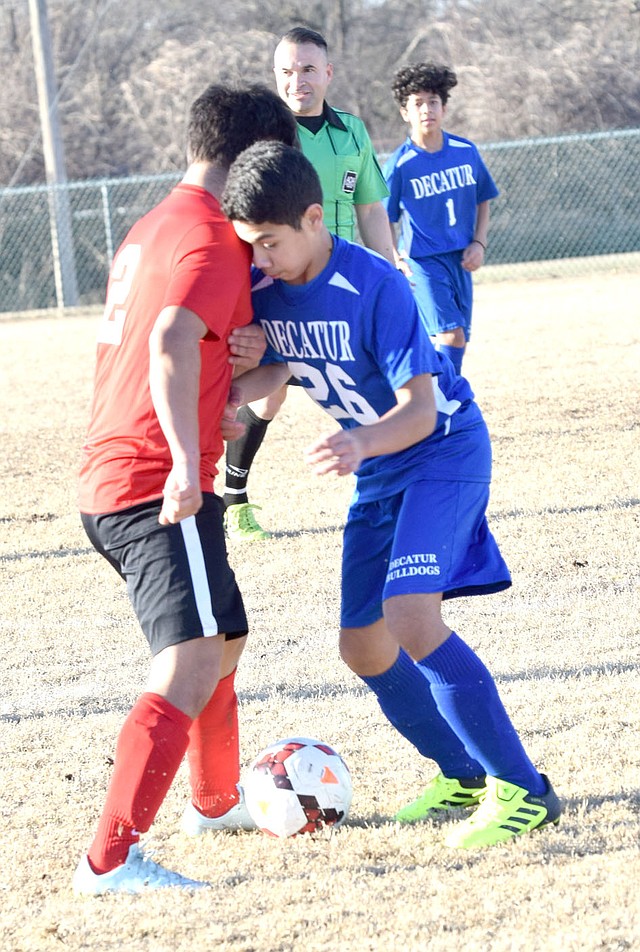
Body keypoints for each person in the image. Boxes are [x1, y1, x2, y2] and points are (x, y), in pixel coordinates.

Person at [221, 141, 562, 850]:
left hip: (440, 450)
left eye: (270, 244)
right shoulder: (264, 288)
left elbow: (421, 411)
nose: (260, 261)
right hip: (378, 468)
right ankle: (461, 773)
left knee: (410, 615)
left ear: (315, 218)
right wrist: (232, 395)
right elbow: (281, 368)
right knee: (363, 647)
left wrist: (357, 442)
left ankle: (524, 790)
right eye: (250, 247)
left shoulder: (376, 283)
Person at [72, 84, 298, 895]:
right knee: (193, 657)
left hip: (118, 471)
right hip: (151, 483)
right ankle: (109, 860)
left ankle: (214, 802)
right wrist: (182, 458)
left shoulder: (157, 222)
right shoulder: (210, 235)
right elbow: (170, 339)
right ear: (252, 159)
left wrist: (234, 376)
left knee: (224, 634)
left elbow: (182, 344)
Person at [223, 26, 395, 542]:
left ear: (327, 73)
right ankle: (234, 497)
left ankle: (387, 491)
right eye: (286, 71)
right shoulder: (263, 139)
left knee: (366, 383)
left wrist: (388, 270)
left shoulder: (353, 132)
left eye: (306, 69)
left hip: (347, 285)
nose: (296, 80)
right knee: (272, 387)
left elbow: (370, 208)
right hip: (281, 285)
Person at [384, 63, 499, 375]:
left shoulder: (465, 150)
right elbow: (383, 217)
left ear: (444, 107)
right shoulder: (401, 165)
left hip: (461, 258)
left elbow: (483, 199)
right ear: (404, 112)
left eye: (433, 101)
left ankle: (429, 393)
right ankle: (447, 403)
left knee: (455, 339)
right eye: (417, 103)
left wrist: (479, 243)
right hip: (423, 261)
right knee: (451, 334)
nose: (426, 110)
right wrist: (396, 258)